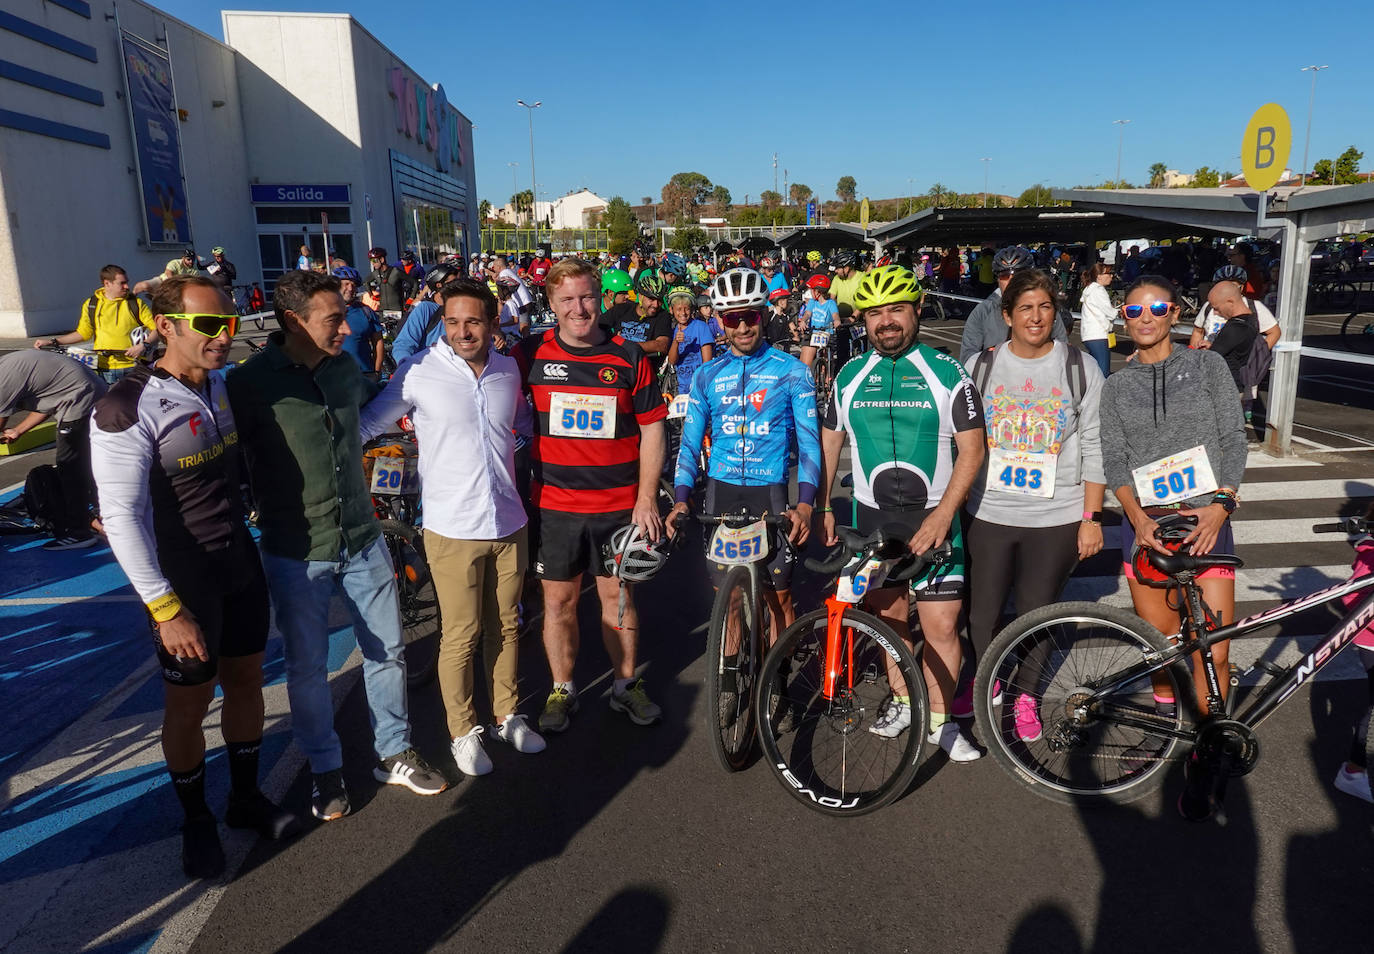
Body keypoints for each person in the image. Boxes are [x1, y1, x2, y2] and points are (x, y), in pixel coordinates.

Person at [90, 276, 298, 878]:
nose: (223, 336)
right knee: (187, 706)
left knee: (247, 681)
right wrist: (164, 608)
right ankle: (196, 820)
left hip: (238, 563)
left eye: (229, 324)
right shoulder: (125, 407)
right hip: (182, 582)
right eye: (209, 325)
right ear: (166, 328)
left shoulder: (223, 388)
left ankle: (243, 798)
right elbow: (122, 520)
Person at [227, 269, 448, 821]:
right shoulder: (249, 384)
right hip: (295, 547)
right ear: (293, 321)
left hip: (364, 537)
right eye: (332, 319)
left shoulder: (346, 368)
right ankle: (325, 771)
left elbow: (386, 399)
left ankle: (393, 753)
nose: (346, 328)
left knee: (388, 651)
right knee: (306, 667)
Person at [360, 278, 542, 776]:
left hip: (509, 520)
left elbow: (522, 428)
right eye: (453, 321)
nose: (463, 331)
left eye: (474, 321)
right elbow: (369, 423)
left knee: (506, 626)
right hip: (452, 526)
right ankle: (463, 730)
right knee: (460, 634)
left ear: (492, 320)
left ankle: (507, 714)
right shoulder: (419, 370)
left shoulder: (507, 370)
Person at [815, 265, 986, 761]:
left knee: (940, 628)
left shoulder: (947, 371)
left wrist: (942, 516)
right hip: (873, 519)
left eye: (896, 310)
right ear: (863, 320)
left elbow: (973, 451)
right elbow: (831, 441)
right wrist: (826, 503)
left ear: (915, 312)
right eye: (875, 313)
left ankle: (943, 721)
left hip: (934, 517)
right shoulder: (850, 375)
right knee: (887, 621)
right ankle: (905, 701)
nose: (886, 321)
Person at [1098, 274, 1246, 778]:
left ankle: (1210, 741)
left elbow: (1233, 437)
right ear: (1124, 318)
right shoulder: (1116, 385)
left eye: (1156, 309)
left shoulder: (1207, 365)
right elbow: (1114, 460)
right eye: (1133, 311)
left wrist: (1222, 504)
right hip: (1148, 528)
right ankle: (1165, 733)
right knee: (1161, 649)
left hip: (1206, 521)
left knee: (1216, 650)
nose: (1145, 318)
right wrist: (1137, 520)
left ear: (1175, 313)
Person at [515, 258, 668, 732]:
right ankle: (563, 690)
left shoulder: (628, 356)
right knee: (558, 605)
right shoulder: (530, 354)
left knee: (617, 601)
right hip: (556, 507)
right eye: (567, 300)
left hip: (619, 507)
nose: (578, 309)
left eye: (586, 297)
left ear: (600, 298)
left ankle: (625, 686)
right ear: (551, 303)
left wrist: (647, 498)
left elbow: (653, 429)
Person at [961, 270, 1106, 740]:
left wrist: (1091, 517)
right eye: (1025, 307)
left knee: (1035, 613)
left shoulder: (1080, 368)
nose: (1036, 316)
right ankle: (992, 680)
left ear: (1056, 312)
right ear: (1006, 316)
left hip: (1056, 514)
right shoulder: (980, 367)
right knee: (982, 616)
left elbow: (1095, 444)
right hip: (990, 510)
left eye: (1045, 306)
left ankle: (1027, 695)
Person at [668, 267, 821, 641]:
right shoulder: (707, 375)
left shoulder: (791, 373)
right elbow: (690, 444)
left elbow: (810, 444)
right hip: (721, 491)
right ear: (721, 322)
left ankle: (776, 683)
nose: (742, 328)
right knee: (729, 600)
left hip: (769, 492)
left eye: (750, 316)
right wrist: (682, 500)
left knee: (778, 600)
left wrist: (806, 504)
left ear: (763, 314)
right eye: (733, 319)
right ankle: (730, 680)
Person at [0, 349, 105, 548]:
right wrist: (19, 430)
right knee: (87, 465)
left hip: (82, 398)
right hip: (84, 393)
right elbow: (51, 400)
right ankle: (102, 515)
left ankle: (80, 532)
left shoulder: (2, 379)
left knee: (70, 467)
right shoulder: (9, 367)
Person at [39, 265, 159, 383]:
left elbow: (157, 329)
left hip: (132, 367)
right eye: (122, 283)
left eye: (127, 282)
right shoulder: (91, 304)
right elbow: (83, 333)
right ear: (107, 283)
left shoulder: (135, 303)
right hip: (102, 369)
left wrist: (144, 345)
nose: (127, 286)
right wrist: (54, 342)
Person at [958, 246, 1068, 363]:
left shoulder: (1047, 310)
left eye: (1018, 274)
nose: (1012, 280)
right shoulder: (983, 312)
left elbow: (1063, 354)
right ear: (997, 279)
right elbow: (968, 360)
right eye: (1004, 275)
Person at [389, 261, 464, 363]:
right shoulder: (426, 309)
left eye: (459, 282)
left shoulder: (464, 308)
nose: (459, 286)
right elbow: (403, 344)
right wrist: (408, 368)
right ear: (439, 285)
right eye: (453, 282)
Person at [601, 269, 672, 370]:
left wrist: (624, 345)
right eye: (651, 299)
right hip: (615, 365)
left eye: (659, 300)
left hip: (642, 368)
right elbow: (597, 328)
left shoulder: (662, 316)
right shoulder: (621, 309)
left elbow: (662, 345)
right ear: (641, 296)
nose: (656, 305)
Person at [1201, 282, 1260, 395]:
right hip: (1236, 386)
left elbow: (1210, 359)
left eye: (1216, 308)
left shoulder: (1235, 328)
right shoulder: (1250, 320)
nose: (1215, 313)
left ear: (1230, 302)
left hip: (1226, 389)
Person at [332, 266, 385, 379]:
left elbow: (378, 341)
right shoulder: (325, 311)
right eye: (346, 284)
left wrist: (376, 371)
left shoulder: (366, 311)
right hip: (335, 375)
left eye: (354, 285)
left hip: (364, 374)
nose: (350, 288)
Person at [664, 286, 714, 395]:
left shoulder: (701, 327)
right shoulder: (672, 330)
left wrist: (702, 386)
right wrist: (676, 342)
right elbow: (672, 361)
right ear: (672, 310)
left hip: (700, 385)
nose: (683, 313)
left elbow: (707, 363)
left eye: (686, 308)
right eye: (679, 309)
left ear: (691, 309)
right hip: (680, 388)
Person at [1078, 262, 1116, 377]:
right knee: (1103, 372)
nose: (1111, 276)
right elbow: (1110, 313)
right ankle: (1101, 394)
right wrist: (1118, 311)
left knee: (1094, 371)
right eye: (1109, 273)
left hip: (1089, 335)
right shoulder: (1098, 290)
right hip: (1098, 335)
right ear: (1099, 276)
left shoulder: (1089, 289)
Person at [798, 274, 838, 368]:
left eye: (811, 290)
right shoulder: (812, 302)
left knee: (826, 361)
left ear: (817, 291)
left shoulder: (831, 303)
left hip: (826, 334)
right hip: (813, 333)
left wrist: (837, 321)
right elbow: (808, 313)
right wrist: (803, 320)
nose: (810, 292)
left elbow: (835, 315)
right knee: (805, 363)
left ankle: (827, 378)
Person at [133, 248, 203, 295]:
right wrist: (174, 284)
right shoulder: (175, 263)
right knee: (144, 286)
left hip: (179, 290)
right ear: (183, 258)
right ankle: (131, 297)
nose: (191, 262)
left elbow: (195, 282)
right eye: (188, 259)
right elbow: (168, 273)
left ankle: (158, 297)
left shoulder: (195, 271)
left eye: (192, 260)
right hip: (162, 281)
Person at [367, 247, 408, 319]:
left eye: (374, 260)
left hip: (397, 309)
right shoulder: (375, 273)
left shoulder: (396, 271)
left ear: (382, 259)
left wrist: (410, 299)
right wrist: (371, 295)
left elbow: (414, 283)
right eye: (371, 261)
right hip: (383, 310)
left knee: (398, 329)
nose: (373, 264)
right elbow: (365, 282)